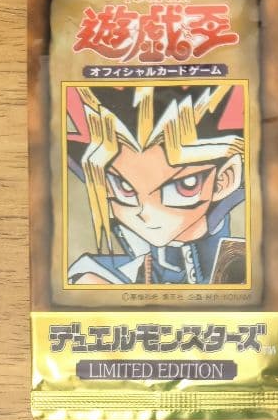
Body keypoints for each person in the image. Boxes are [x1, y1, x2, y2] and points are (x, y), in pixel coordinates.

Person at [66, 84, 246, 284]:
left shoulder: (244, 260)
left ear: (225, 179)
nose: (145, 213)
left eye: (185, 185)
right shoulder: (98, 272)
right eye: (124, 187)